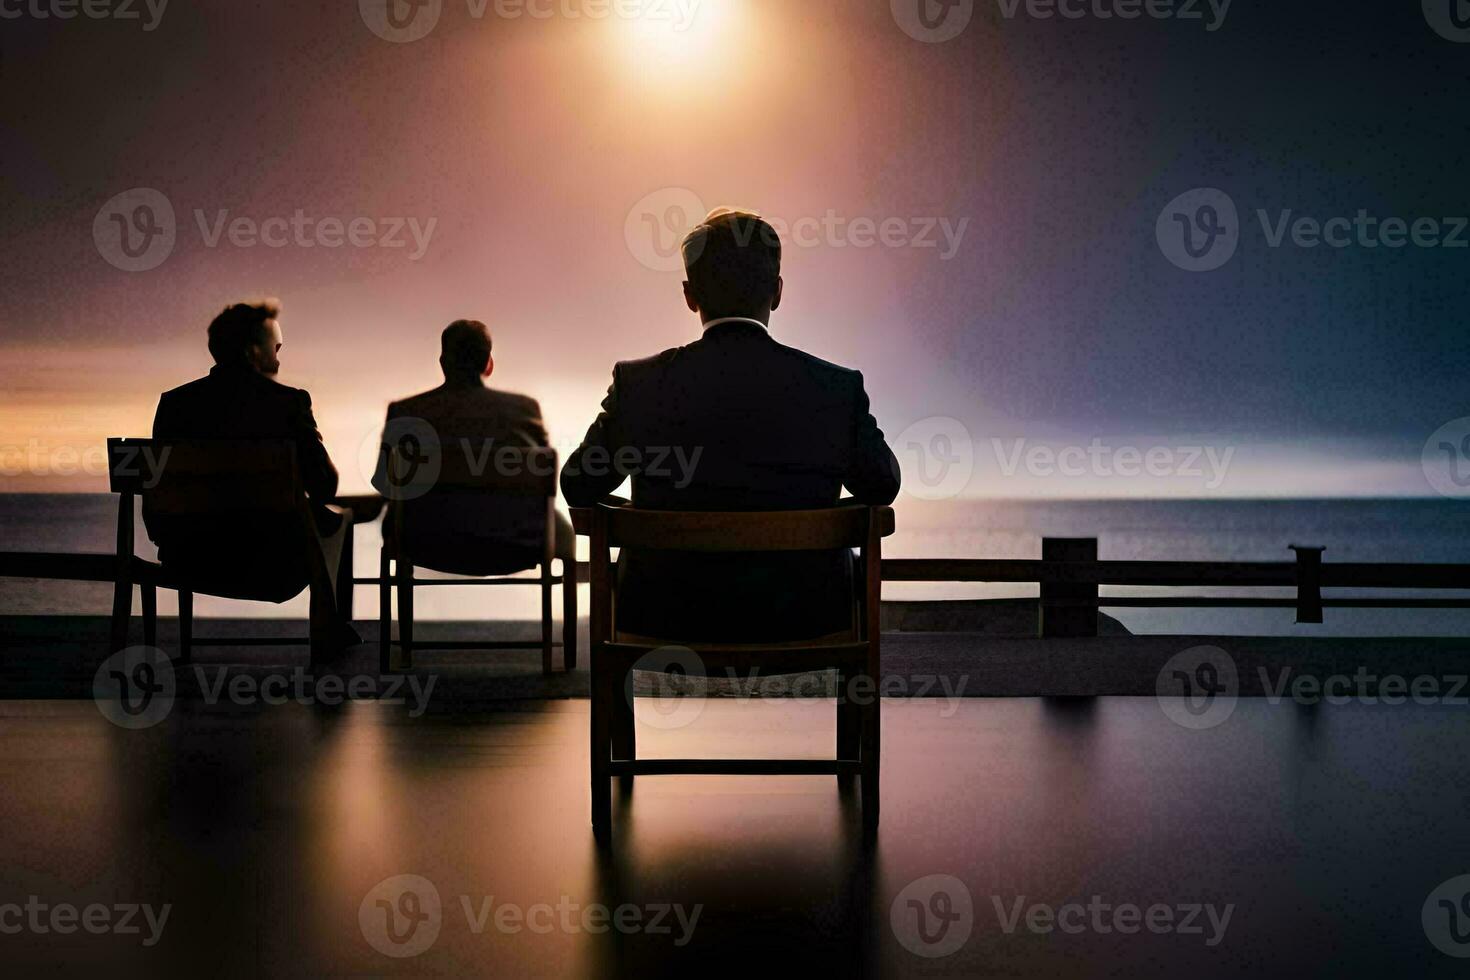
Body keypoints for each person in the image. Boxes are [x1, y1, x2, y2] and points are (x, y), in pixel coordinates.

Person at [561, 207, 901, 641]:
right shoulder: (835, 389)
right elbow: (883, 483)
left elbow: (578, 483)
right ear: (777, 292)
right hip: (808, 621)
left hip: (662, 620)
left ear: (690, 295)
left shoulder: (640, 386)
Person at [148, 300, 356, 653]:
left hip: (188, 557)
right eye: (274, 345)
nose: (279, 353)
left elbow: (157, 492)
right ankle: (329, 630)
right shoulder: (288, 403)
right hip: (273, 564)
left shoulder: (175, 404)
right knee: (339, 519)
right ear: (252, 351)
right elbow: (324, 485)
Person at [372, 319, 575, 574]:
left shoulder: (404, 412)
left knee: (399, 517)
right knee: (565, 532)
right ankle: (575, 610)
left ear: (443, 362)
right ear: (488, 364)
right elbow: (539, 485)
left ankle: (399, 613)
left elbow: (384, 485)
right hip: (514, 542)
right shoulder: (525, 410)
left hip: (426, 541)